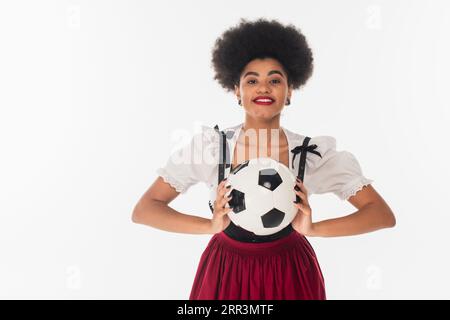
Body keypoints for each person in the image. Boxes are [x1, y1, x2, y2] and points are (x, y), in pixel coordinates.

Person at [132, 18, 396, 300]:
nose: (263, 88)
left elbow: (381, 215)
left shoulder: (309, 153)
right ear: (237, 90)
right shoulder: (212, 147)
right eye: (252, 80)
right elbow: (145, 209)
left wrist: (314, 229)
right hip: (225, 269)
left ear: (290, 90)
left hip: (290, 270)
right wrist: (209, 226)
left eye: (275, 80)